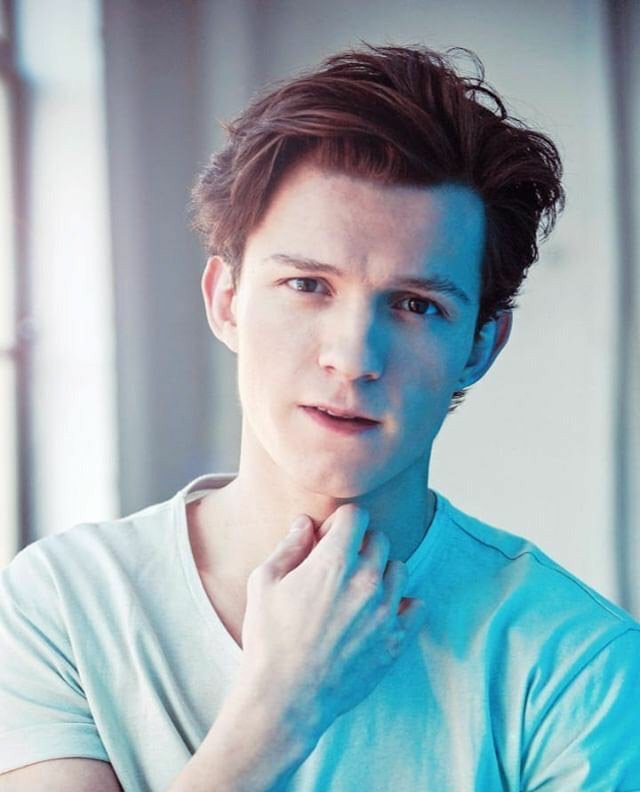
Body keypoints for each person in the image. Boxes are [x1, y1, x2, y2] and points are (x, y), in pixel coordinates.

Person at [1, 43, 639, 792]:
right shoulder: (64, 604)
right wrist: (276, 715)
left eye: (415, 305)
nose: (353, 356)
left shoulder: (577, 664)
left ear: (478, 346)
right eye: (307, 285)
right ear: (226, 300)